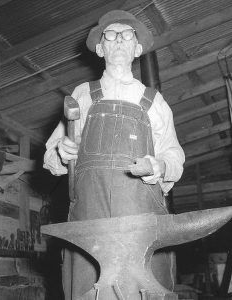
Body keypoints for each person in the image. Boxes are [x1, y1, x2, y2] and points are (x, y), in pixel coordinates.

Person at [43, 10, 185, 299]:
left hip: (142, 228)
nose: (119, 40)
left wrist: (160, 165)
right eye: (111, 35)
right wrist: (61, 152)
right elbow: (50, 158)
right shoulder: (82, 94)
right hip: (89, 230)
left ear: (137, 49)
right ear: (100, 48)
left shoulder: (155, 102)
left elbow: (176, 159)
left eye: (127, 35)